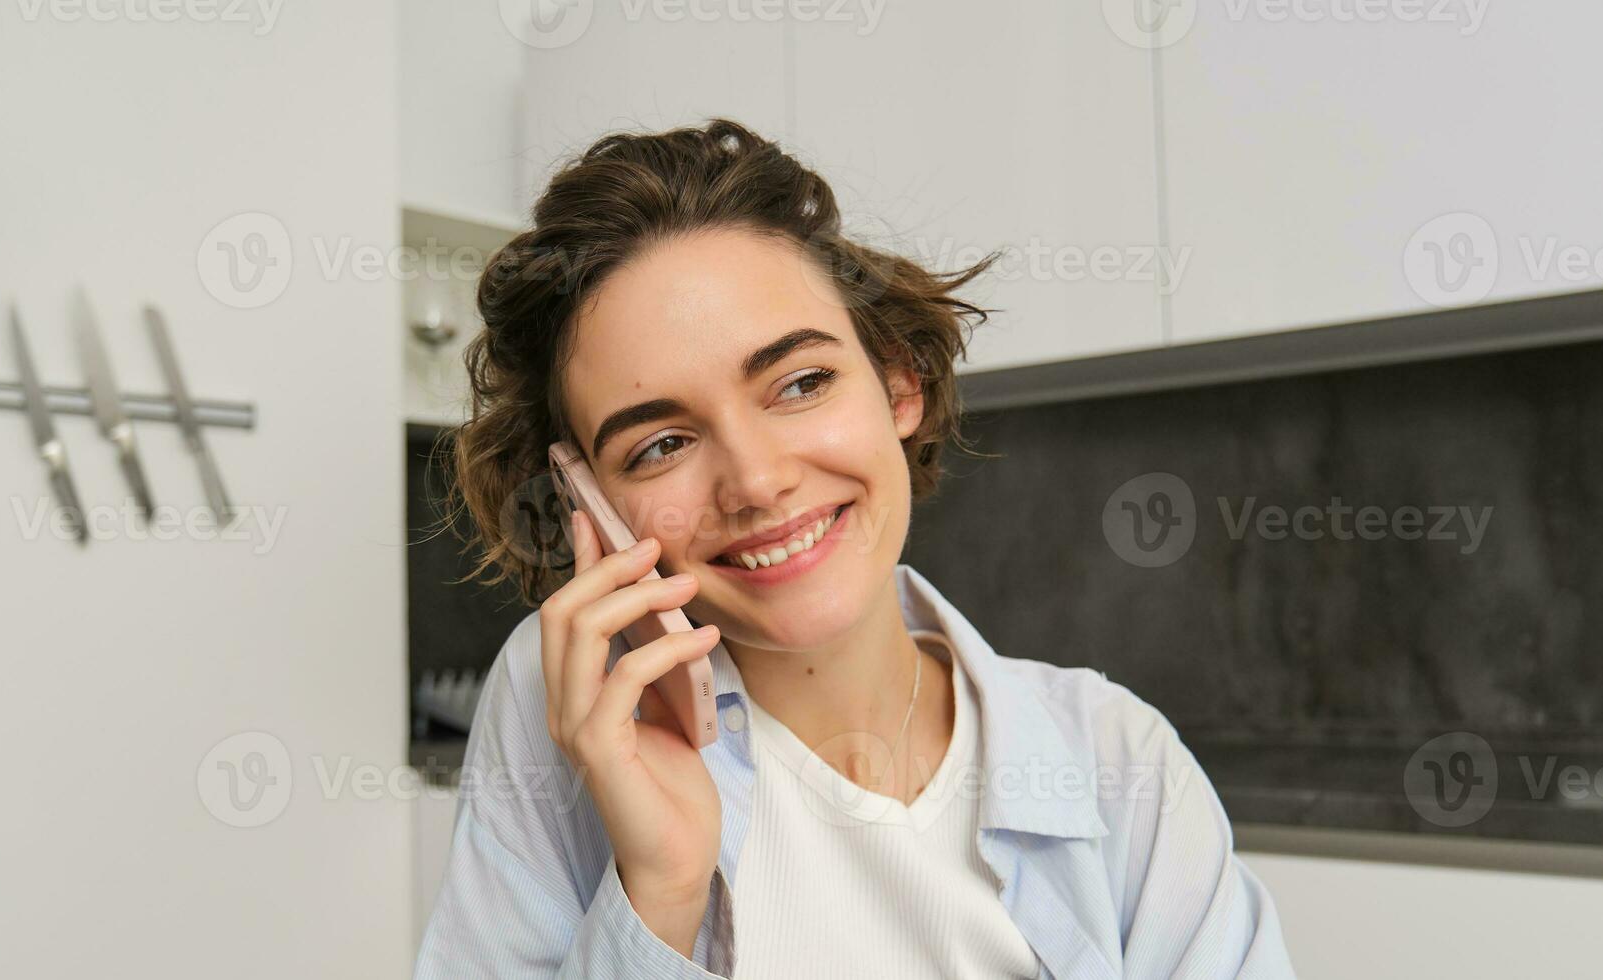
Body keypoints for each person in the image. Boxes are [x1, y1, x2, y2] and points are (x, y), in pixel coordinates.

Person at [417, 119, 1293, 979]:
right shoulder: (573, 705)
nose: (755, 482)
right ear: (590, 504)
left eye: (800, 383)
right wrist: (660, 894)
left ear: (898, 379)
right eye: (661, 445)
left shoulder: (1117, 758)